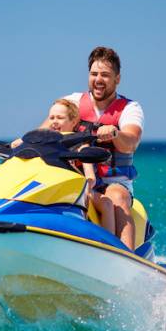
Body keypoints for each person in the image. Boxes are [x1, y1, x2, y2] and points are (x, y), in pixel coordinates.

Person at [47, 46, 144, 250]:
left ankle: (128, 258)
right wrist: (22, 143)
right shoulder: (72, 102)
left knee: (117, 198)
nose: (98, 79)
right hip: (76, 175)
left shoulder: (130, 108)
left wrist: (116, 133)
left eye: (105, 75)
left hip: (113, 181)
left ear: (117, 78)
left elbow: (132, 141)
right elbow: (45, 129)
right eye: (94, 74)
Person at [44, 99, 116, 236]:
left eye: (60, 118)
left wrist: (86, 190)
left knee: (106, 203)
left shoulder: (81, 146)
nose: (54, 121)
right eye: (51, 117)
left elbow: (90, 178)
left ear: (73, 122)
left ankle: (109, 244)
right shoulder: (45, 146)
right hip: (52, 189)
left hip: (80, 191)